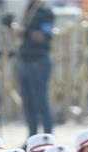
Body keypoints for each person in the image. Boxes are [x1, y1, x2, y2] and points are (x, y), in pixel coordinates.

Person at [16, 0, 54, 137]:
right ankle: (32, 136)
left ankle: (48, 135)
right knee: (28, 103)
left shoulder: (45, 12)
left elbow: (44, 36)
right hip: (25, 61)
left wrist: (26, 33)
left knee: (41, 101)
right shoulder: (29, 9)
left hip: (38, 62)